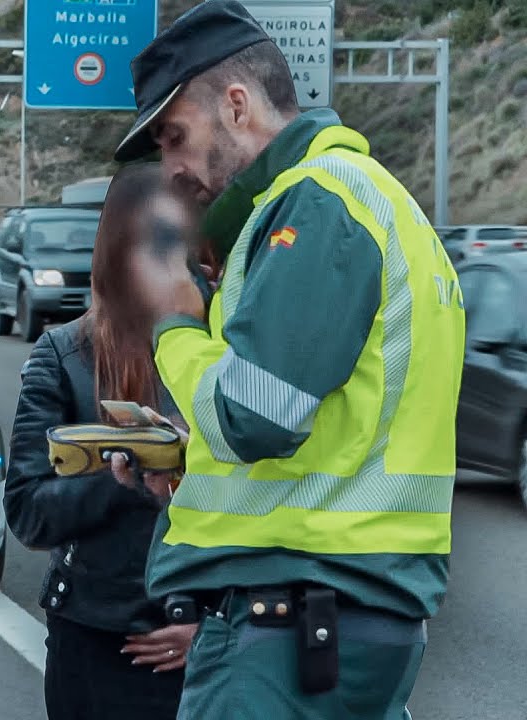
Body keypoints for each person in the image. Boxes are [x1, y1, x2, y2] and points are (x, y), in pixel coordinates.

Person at [110, 1, 466, 717]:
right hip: (343, 619)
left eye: (175, 137)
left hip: (287, 633)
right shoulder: (372, 202)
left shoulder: (319, 202)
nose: (172, 169)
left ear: (236, 107)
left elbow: (257, 416)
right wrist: (188, 457)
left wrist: (175, 321)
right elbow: (333, 419)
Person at [3, 163, 212, 720]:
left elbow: (279, 498)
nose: (169, 263)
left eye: (178, 242)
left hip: (214, 642)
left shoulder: (229, 344)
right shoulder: (65, 354)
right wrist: (123, 478)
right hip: (98, 635)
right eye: (153, 244)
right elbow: (28, 512)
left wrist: (215, 623)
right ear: (117, 252)